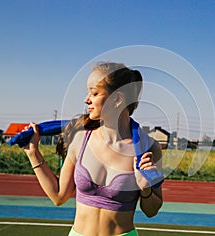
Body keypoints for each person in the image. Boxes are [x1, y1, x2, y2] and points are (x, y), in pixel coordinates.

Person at [24, 62, 163, 236]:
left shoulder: (148, 149)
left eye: (94, 93)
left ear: (118, 99)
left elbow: (152, 210)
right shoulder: (80, 139)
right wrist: (33, 153)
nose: (86, 99)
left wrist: (145, 188)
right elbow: (58, 196)